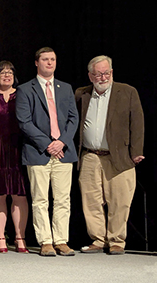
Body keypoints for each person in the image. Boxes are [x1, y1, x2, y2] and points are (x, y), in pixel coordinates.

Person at [75, 55, 144, 255]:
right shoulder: (81, 94)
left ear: (112, 72)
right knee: (91, 199)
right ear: (90, 76)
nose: (103, 77)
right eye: (98, 74)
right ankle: (98, 239)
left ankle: (116, 241)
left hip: (120, 155)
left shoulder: (127, 92)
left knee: (120, 199)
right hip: (89, 155)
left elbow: (137, 123)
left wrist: (136, 152)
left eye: (106, 73)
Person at [16, 47, 79, 257]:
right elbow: (24, 122)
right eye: (45, 59)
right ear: (37, 62)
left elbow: (73, 119)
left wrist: (61, 142)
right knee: (40, 199)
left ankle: (61, 240)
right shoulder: (25, 89)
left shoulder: (66, 88)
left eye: (52, 59)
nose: (49, 63)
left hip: (64, 152)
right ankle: (45, 241)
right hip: (38, 152)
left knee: (63, 199)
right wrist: (47, 144)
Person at [0, 61, 30, 253]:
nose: (6, 75)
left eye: (10, 72)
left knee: (19, 194)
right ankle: (0, 238)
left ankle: (20, 237)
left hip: (19, 149)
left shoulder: (22, 94)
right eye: (2, 72)